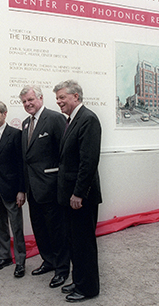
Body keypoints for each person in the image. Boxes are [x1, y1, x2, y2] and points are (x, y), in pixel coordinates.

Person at [54, 80, 102, 302]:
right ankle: (79, 280)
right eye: (57, 98)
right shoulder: (72, 119)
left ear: (76, 96)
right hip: (70, 195)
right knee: (74, 242)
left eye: (62, 97)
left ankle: (88, 288)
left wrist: (79, 193)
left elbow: (88, 162)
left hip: (81, 196)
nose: (59, 101)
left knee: (84, 243)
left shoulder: (88, 119)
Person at [19, 85, 70, 288]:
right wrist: (23, 188)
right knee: (40, 229)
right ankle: (48, 261)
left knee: (57, 231)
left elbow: (64, 154)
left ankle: (62, 269)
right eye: (24, 102)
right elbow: (26, 160)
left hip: (51, 187)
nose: (28, 104)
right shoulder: (25, 124)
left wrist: (62, 185)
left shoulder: (55, 118)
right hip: (33, 189)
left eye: (30, 100)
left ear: (40, 98)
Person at [0, 100, 27, 278]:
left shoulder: (16, 134)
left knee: (16, 226)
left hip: (12, 189)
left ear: (4, 114)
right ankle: (4, 257)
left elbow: (21, 164)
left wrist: (21, 190)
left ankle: (20, 261)